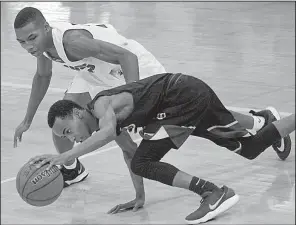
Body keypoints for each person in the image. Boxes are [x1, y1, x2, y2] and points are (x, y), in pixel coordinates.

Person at [14, 7, 289, 188]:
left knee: (190, 114)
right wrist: (27, 120)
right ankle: (71, 169)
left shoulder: (72, 41)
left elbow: (126, 56)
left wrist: (136, 97)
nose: (28, 46)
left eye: (32, 38)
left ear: (47, 28)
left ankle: (258, 121)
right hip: (95, 71)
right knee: (63, 117)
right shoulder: (44, 49)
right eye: (22, 42)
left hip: (133, 66)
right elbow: (42, 77)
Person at [31, 73, 295, 224]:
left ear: (78, 113)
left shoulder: (101, 106)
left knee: (144, 160)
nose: (73, 139)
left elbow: (108, 134)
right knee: (249, 148)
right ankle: (276, 121)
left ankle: (213, 192)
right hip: (189, 97)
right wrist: (139, 196)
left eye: (68, 131)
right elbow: (130, 154)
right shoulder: (106, 122)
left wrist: (65, 156)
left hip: (181, 98)